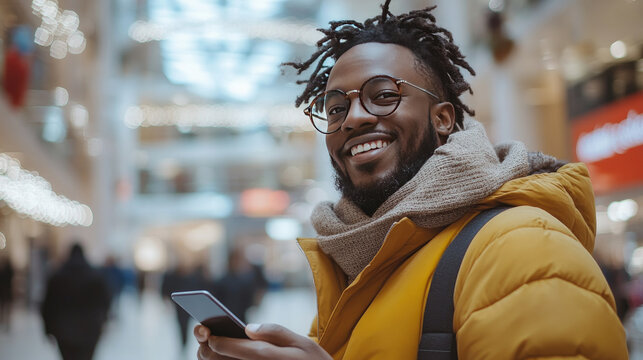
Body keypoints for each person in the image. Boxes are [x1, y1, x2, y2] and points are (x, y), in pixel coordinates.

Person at [194, 1, 629, 359]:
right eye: (336, 108)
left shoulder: (523, 248)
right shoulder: (360, 264)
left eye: (383, 95)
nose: (354, 118)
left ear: (442, 119)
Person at [41, 243, 111, 360]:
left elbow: (47, 306)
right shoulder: (96, 276)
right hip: (90, 330)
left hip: (63, 330)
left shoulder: (57, 276)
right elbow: (105, 303)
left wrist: (48, 330)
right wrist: (102, 322)